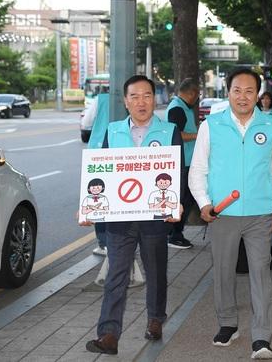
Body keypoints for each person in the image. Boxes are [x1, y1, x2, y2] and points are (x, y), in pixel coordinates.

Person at [189, 67, 272, 359]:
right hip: (223, 213)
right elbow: (198, 169)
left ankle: (261, 337)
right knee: (223, 272)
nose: (243, 97)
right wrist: (205, 203)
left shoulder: (271, 125)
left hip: (260, 212)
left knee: (261, 273)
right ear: (227, 91)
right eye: (237, 90)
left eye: (249, 91)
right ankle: (227, 323)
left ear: (258, 94)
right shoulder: (211, 125)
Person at [82, 75, 184, 355]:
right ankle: (109, 334)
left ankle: (155, 320)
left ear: (156, 99)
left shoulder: (169, 131)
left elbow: (178, 171)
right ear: (126, 102)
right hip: (120, 216)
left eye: (147, 96)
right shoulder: (113, 131)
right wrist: (91, 206)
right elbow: (100, 171)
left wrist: (178, 204)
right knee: (116, 274)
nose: (141, 102)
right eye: (135, 97)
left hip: (155, 214)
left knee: (156, 271)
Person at [165, 78, 200, 249]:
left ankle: (174, 233)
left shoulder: (183, 107)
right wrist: (198, 135)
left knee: (188, 199)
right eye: (197, 94)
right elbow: (176, 133)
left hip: (188, 161)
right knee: (184, 199)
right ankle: (174, 234)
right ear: (192, 93)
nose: (197, 98)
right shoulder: (177, 108)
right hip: (183, 162)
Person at [84, 88, 110, 256]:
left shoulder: (100, 99)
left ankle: (103, 243)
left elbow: (86, 122)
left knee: (99, 195)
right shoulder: (130, 98)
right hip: (124, 154)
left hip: (98, 153)